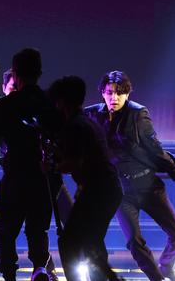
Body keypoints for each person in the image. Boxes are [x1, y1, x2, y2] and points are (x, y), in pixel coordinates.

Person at [85, 71, 175, 281]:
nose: (114, 98)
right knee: (134, 241)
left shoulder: (137, 114)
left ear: (127, 94)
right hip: (121, 192)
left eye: (120, 93)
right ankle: (157, 278)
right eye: (110, 93)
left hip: (148, 186)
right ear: (102, 93)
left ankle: (165, 266)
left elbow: (155, 149)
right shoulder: (93, 115)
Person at [0, 48, 58, 281]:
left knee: (6, 233)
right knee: (38, 230)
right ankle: (40, 269)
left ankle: (10, 275)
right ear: (39, 72)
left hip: (15, 178)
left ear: (15, 74)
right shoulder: (50, 102)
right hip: (44, 178)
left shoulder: (5, 105)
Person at [48, 76, 122, 281]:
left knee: (69, 242)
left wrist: (52, 166)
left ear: (62, 101)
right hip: (107, 189)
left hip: (98, 190)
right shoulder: (85, 122)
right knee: (93, 244)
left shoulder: (75, 126)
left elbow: (75, 163)